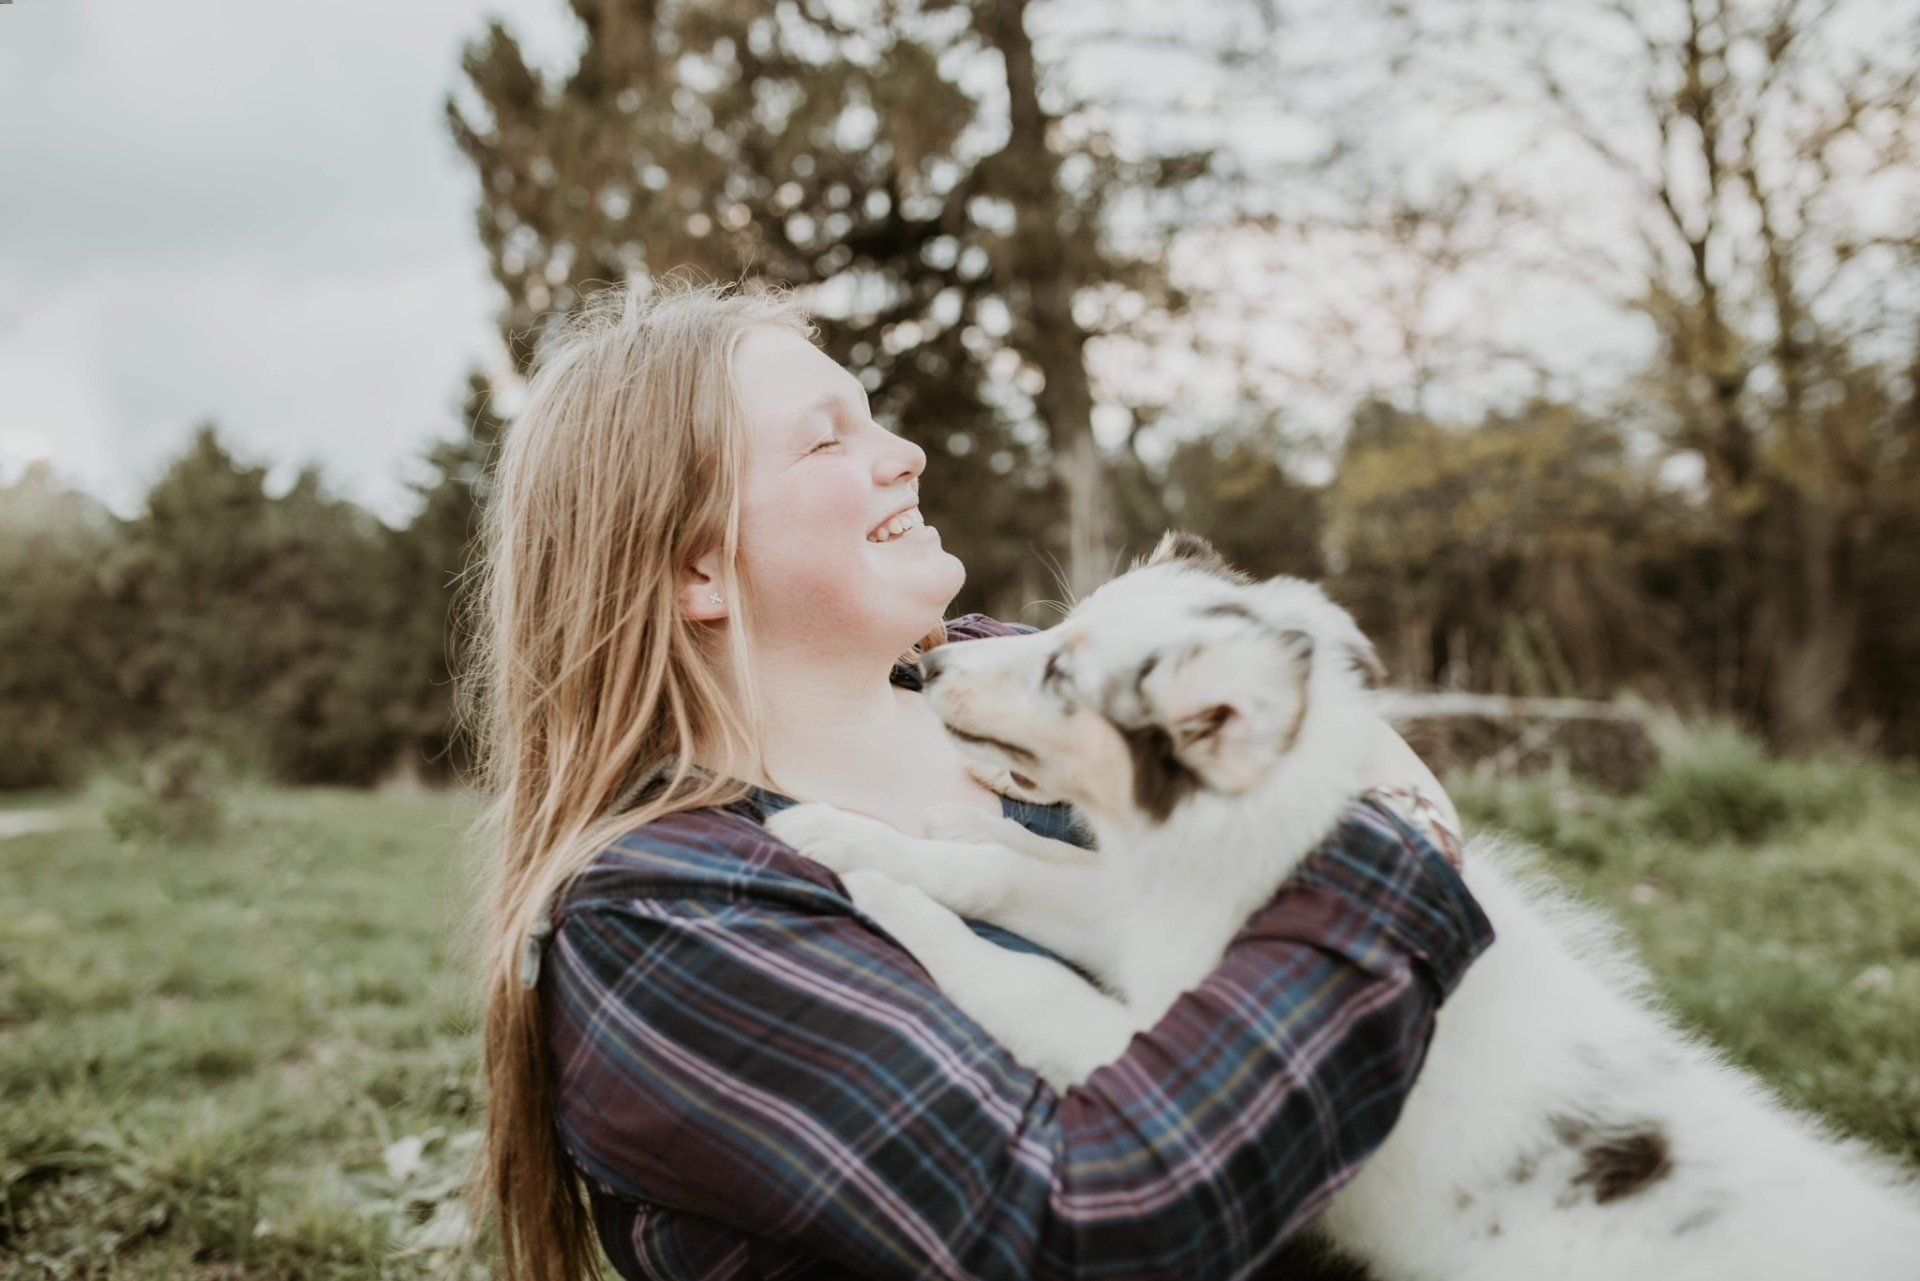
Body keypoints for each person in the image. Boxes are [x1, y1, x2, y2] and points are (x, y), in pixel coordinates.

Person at [458, 273, 1496, 1281]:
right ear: (695, 568)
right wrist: (1401, 846)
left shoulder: (1001, 679)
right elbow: (1086, 1222)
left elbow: (1316, 727)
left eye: (875, 420)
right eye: (828, 438)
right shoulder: (663, 916)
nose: (905, 453)